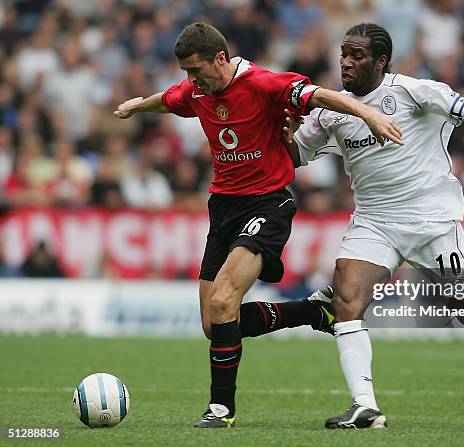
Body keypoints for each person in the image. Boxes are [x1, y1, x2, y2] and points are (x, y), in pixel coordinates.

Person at [282, 23, 464, 429]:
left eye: (357, 56)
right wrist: (284, 138)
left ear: (380, 61)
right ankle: (365, 406)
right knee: (346, 300)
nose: (346, 63)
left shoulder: (413, 92)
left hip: (433, 223)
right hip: (374, 222)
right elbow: (295, 156)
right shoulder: (331, 109)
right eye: (344, 54)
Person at [114, 22, 403, 429]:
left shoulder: (264, 83)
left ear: (220, 58)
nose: (191, 79)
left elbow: (319, 95)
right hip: (223, 209)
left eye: (196, 70)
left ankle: (221, 411)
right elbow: (168, 99)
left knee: (223, 300)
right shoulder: (197, 89)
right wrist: (137, 106)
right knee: (215, 325)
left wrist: (366, 111)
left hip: (268, 203)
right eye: (186, 72)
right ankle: (316, 313)